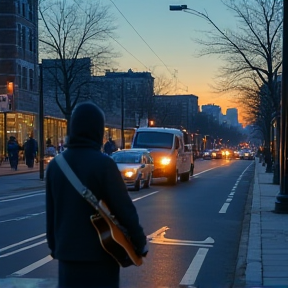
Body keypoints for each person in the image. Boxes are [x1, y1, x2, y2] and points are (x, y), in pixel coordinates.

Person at [46, 102, 147, 288]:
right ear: (98, 131)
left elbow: (51, 214)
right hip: (101, 254)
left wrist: (56, 247)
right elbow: (124, 209)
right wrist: (140, 242)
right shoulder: (104, 165)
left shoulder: (55, 166)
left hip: (67, 256)